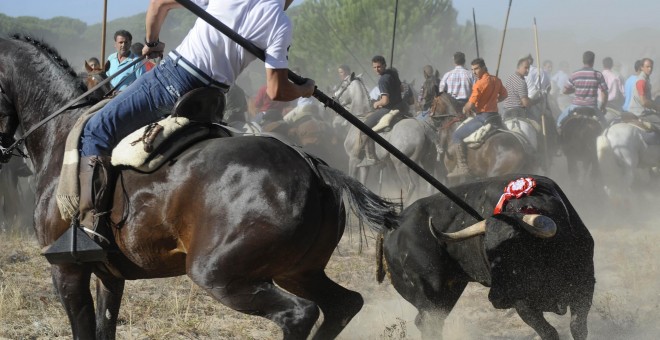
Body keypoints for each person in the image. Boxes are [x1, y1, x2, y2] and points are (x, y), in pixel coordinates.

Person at [78, 0, 315, 242]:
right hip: (209, 100)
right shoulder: (280, 24)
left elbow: (158, 4)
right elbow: (278, 90)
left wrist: (152, 43)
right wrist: (304, 89)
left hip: (171, 81)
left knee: (97, 129)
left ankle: (91, 228)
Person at [448, 58, 507, 178]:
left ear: (484, 67)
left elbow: (470, 105)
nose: (474, 72)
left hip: (483, 118)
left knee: (456, 135)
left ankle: (462, 168)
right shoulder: (496, 79)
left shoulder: (479, 84)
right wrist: (495, 100)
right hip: (496, 118)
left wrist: (464, 110)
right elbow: (504, 95)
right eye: (472, 69)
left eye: (476, 69)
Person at [355, 55, 407, 167]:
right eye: (374, 67)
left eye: (379, 67)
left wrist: (376, 103)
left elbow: (385, 100)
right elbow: (402, 88)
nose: (377, 69)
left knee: (364, 127)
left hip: (389, 109)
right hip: (402, 106)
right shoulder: (393, 73)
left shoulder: (383, 80)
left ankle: (370, 158)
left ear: (384, 65)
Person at [556, 51, 608, 129]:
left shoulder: (575, 74)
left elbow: (564, 91)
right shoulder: (598, 75)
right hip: (592, 106)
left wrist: (575, 90)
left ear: (583, 61)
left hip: (576, 105)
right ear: (593, 61)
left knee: (559, 122)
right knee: (606, 127)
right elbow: (604, 92)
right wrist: (603, 107)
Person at [628, 58, 660, 123]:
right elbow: (644, 102)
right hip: (639, 113)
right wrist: (657, 107)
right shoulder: (641, 81)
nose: (650, 69)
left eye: (651, 67)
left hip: (639, 111)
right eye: (647, 67)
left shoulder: (645, 79)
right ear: (642, 67)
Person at [524, 54, 551, 123]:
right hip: (542, 102)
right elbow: (549, 87)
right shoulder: (543, 71)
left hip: (529, 102)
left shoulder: (525, 73)